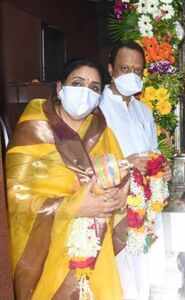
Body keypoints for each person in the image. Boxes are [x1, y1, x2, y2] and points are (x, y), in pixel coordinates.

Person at [7, 59, 129, 299]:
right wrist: (70, 208)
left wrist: (119, 196)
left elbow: (121, 176)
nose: (85, 92)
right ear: (59, 88)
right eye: (78, 83)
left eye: (94, 88)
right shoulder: (33, 130)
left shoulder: (102, 132)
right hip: (47, 256)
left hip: (94, 251)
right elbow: (14, 200)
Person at [100, 41, 169, 300]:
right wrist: (125, 162)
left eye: (137, 71)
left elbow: (152, 152)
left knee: (142, 284)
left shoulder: (144, 111)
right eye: (124, 68)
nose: (132, 75)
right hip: (113, 208)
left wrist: (161, 168)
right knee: (117, 283)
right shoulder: (97, 108)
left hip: (144, 210)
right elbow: (88, 161)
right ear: (110, 69)